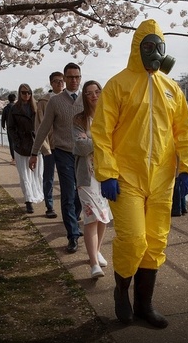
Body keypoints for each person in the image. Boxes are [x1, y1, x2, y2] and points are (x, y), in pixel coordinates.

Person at [91, 19, 188, 328]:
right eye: (147, 46)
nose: (154, 52)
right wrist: (107, 173)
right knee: (133, 238)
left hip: (163, 180)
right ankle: (121, 291)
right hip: (126, 178)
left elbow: (185, 132)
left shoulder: (171, 88)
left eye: (158, 47)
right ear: (137, 49)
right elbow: (101, 133)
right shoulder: (118, 84)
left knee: (155, 241)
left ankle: (144, 305)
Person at [29, 63, 83, 253]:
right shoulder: (55, 101)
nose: (74, 80)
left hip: (84, 155)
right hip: (63, 152)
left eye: (77, 77)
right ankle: (73, 235)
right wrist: (34, 153)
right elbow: (43, 128)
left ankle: (75, 221)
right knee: (68, 193)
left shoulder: (88, 99)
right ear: (64, 79)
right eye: (70, 77)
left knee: (81, 194)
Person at [72, 80, 112, 279]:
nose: (94, 95)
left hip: (106, 173)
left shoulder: (110, 115)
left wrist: (93, 141)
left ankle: (97, 250)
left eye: (97, 92)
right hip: (86, 175)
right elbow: (80, 146)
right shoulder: (79, 119)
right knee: (91, 217)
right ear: (84, 97)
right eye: (89, 93)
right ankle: (93, 264)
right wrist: (102, 139)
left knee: (104, 216)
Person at [8, 84, 44, 214]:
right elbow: (10, 127)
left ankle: (37, 195)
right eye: (23, 93)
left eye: (28, 92)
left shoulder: (36, 108)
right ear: (19, 93)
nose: (26, 95)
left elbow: (43, 124)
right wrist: (17, 142)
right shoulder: (14, 109)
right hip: (21, 145)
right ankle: (28, 200)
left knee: (38, 173)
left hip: (36, 144)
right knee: (24, 175)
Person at [35, 72, 65, 219]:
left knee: (68, 179)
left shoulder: (71, 99)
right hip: (50, 147)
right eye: (56, 81)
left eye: (62, 81)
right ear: (51, 83)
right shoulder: (43, 102)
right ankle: (49, 206)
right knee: (49, 177)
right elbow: (39, 126)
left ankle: (70, 209)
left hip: (66, 146)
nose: (60, 83)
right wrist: (45, 148)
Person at [1, 93, 17, 165]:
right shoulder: (17, 107)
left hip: (10, 128)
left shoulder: (6, 108)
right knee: (17, 142)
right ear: (15, 99)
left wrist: (3, 125)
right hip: (18, 128)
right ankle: (19, 157)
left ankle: (13, 158)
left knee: (11, 143)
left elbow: (3, 117)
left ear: (8, 99)